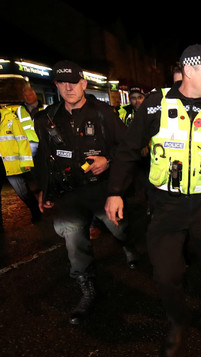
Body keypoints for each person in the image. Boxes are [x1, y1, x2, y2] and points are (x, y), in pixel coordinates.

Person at [104, 44, 201, 357]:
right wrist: (115, 190)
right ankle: (177, 321)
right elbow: (129, 150)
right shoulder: (155, 104)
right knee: (165, 274)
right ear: (189, 70)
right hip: (165, 206)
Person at [31, 60, 139, 325]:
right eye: (61, 82)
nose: (68, 87)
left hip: (102, 189)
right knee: (73, 240)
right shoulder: (46, 119)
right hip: (69, 193)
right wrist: (42, 190)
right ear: (55, 85)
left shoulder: (102, 112)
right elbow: (44, 157)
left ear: (83, 83)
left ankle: (128, 244)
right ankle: (88, 288)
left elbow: (129, 146)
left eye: (73, 82)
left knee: (119, 228)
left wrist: (108, 161)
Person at [0, 106, 41, 231]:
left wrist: (25, 161)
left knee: (23, 192)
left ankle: (36, 212)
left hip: (11, 164)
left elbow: (22, 140)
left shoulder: (10, 118)